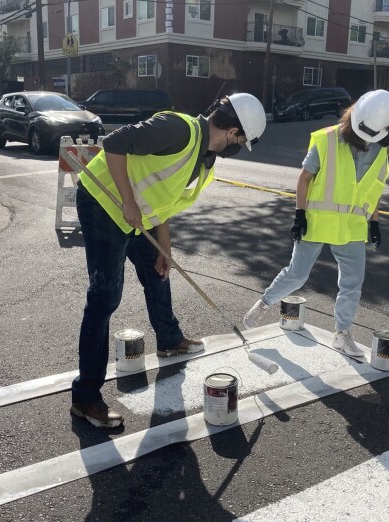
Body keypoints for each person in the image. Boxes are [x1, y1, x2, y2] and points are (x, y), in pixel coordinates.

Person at [71, 93, 267, 429]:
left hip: (139, 214)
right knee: (104, 298)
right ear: (234, 131)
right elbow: (115, 143)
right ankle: (85, 398)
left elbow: (165, 196)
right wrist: (129, 203)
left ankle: (169, 340)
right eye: (241, 140)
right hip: (103, 203)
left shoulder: (205, 159)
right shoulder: (177, 129)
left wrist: (165, 245)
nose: (237, 146)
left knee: (157, 271)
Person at [243, 89, 389, 357]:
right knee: (298, 273)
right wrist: (299, 213)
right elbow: (304, 178)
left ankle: (342, 333)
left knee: (352, 282)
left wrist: (374, 222)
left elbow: (374, 190)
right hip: (317, 220)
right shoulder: (328, 140)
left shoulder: (383, 148)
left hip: (351, 226)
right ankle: (265, 302)